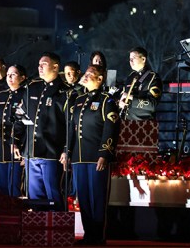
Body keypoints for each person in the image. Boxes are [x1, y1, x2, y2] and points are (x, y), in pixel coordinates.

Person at [66, 64, 120, 246]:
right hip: (79, 158)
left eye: (91, 74)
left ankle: (99, 236)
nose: (86, 76)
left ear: (100, 78)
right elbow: (72, 129)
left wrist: (105, 153)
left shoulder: (107, 101)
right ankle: (89, 234)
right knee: (84, 198)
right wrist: (68, 152)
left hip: (96, 157)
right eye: (86, 74)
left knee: (98, 198)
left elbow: (110, 129)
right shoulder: (79, 100)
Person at [13, 52, 70, 210]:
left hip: (52, 153)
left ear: (55, 66)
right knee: (34, 198)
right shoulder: (32, 88)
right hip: (31, 152)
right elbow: (20, 118)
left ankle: (58, 232)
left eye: (43, 64)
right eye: (39, 65)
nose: (40, 68)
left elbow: (70, 125)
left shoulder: (65, 92)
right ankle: (39, 232)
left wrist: (66, 149)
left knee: (54, 195)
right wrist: (15, 142)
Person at [0, 64, 27, 196]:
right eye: (8, 74)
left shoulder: (25, 95)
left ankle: (15, 215)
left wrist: (24, 149)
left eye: (13, 74)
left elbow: (26, 125)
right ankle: (4, 215)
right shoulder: (1, 95)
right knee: (1, 188)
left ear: (22, 77)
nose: (9, 77)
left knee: (15, 187)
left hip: (16, 147)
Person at [117, 47, 162, 121]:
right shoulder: (130, 76)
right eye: (130, 58)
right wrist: (120, 103)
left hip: (144, 123)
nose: (130, 61)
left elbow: (152, 105)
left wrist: (131, 97)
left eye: (133, 58)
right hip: (126, 122)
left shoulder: (153, 77)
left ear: (143, 59)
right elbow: (123, 95)